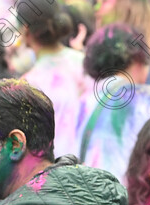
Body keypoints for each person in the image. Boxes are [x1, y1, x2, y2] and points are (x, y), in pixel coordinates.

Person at [76, 23, 150, 182]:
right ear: (138, 58)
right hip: (131, 199)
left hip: (86, 197)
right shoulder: (148, 99)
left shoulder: (84, 100)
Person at [19, 0, 90, 157]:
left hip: (60, 168)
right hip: (95, 161)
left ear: (25, 30)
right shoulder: (85, 62)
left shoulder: (29, 84)